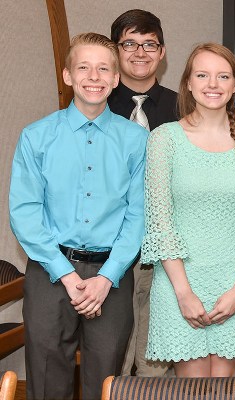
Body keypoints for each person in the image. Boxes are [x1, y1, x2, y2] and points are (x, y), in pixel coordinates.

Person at [10, 32, 146, 400]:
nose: (94, 76)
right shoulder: (36, 137)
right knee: (47, 379)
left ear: (116, 79)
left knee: (105, 382)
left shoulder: (136, 140)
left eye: (104, 69)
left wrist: (107, 277)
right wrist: (66, 274)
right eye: (83, 67)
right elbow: (24, 212)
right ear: (68, 75)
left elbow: (139, 216)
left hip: (111, 279)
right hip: (51, 271)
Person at [141, 43, 235, 377]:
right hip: (179, 284)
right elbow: (160, 224)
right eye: (202, 75)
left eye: (222, 76)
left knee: (225, 390)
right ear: (187, 82)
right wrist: (184, 293)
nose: (212, 84)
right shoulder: (164, 138)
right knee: (194, 391)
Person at [107, 9, 179, 378]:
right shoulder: (97, 104)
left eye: (149, 44)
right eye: (129, 43)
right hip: (109, 251)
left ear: (162, 52)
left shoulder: (185, 106)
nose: (140, 52)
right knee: (111, 356)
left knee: (155, 360)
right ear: (116, 50)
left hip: (164, 248)